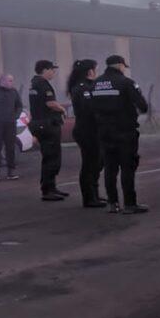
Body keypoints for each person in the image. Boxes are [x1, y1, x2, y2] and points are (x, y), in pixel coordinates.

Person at [90, 55, 149, 214]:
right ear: (120, 65)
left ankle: (112, 203)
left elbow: (90, 107)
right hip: (124, 131)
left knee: (110, 168)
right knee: (127, 167)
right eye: (124, 66)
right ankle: (130, 204)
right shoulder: (127, 83)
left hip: (104, 131)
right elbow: (143, 106)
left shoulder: (95, 84)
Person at [67, 59, 106, 208]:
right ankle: (89, 198)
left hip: (94, 130)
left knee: (97, 162)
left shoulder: (89, 86)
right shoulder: (82, 87)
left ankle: (95, 194)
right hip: (87, 130)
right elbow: (88, 109)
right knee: (90, 164)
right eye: (95, 69)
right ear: (90, 71)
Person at [28, 60, 67, 201]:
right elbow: (50, 103)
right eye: (52, 70)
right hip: (47, 125)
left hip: (39, 124)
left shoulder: (34, 83)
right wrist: (62, 109)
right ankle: (48, 190)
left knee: (49, 157)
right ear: (45, 70)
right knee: (52, 157)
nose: (53, 73)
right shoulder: (43, 84)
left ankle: (51, 187)